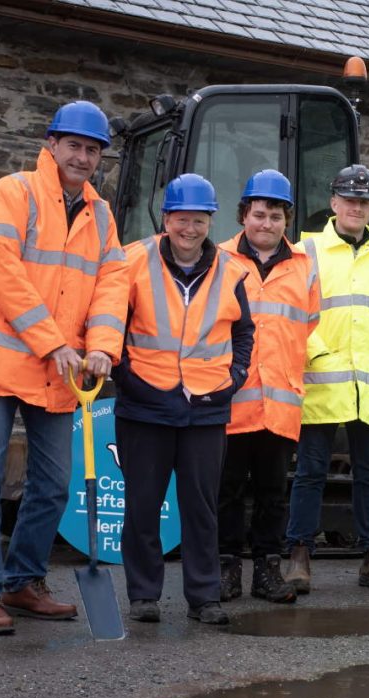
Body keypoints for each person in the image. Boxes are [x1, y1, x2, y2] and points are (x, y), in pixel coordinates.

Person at [0, 100, 129, 634]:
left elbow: (112, 283)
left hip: (62, 371)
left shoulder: (101, 215)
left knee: (53, 483)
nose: (83, 156)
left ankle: (23, 581)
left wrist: (102, 343)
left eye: (93, 149)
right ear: (51, 144)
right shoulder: (11, 193)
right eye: (74, 145)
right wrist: (53, 342)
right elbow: (1, 272)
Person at [113, 173, 254, 625]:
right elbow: (110, 323)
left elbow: (244, 332)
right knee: (142, 504)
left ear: (209, 221)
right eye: (180, 219)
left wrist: (233, 378)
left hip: (206, 407)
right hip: (145, 405)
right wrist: (127, 378)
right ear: (166, 218)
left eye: (198, 220)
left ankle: (204, 597)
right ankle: (143, 596)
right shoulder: (132, 260)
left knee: (201, 508)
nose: (189, 229)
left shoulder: (232, 270)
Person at [283, 164, 369, 592]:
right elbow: (295, 310)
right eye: (349, 199)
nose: (356, 207)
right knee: (310, 473)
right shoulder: (305, 251)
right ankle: (299, 556)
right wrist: (318, 354)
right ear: (334, 203)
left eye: (364, 201)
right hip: (322, 381)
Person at [217, 170, 320, 605]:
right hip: (229, 401)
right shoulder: (219, 259)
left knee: (274, 495)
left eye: (275, 216)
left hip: (279, 402)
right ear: (244, 215)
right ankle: (225, 569)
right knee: (225, 492)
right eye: (259, 214)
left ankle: (266, 571)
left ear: (286, 220)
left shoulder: (304, 268)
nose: (266, 224)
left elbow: (311, 325)